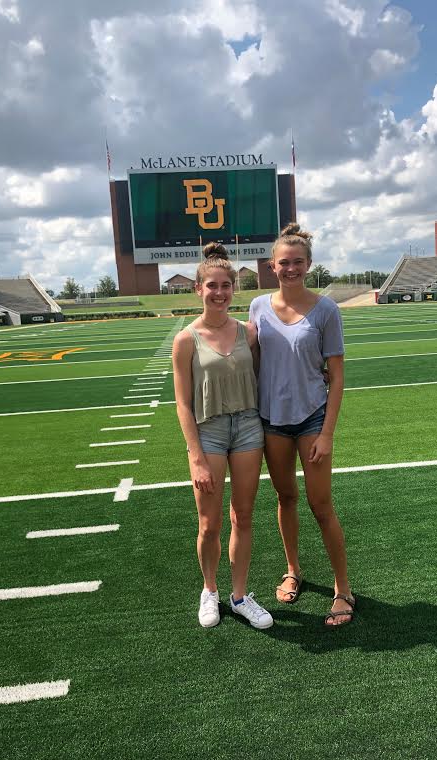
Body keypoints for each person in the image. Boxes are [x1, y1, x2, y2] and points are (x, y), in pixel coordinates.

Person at [249, 223, 354, 626]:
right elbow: (252, 362)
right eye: (283, 263)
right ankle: (293, 569)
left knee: (320, 503)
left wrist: (327, 433)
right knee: (285, 498)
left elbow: (337, 375)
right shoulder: (258, 306)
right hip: (272, 419)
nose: (290, 269)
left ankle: (342, 587)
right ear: (272, 266)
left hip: (312, 417)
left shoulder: (326, 310)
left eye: (297, 262)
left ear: (308, 265)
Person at [172, 242, 273, 630]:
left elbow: (266, 377)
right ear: (198, 289)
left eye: (226, 286)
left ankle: (240, 595)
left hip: (249, 428)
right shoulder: (186, 340)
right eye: (211, 286)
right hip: (209, 431)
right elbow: (182, 403)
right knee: (209, 524)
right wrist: (195, 454)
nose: (219, 293)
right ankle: (210, 590)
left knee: (243, 516)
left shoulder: (249, 332)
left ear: (235, 288)